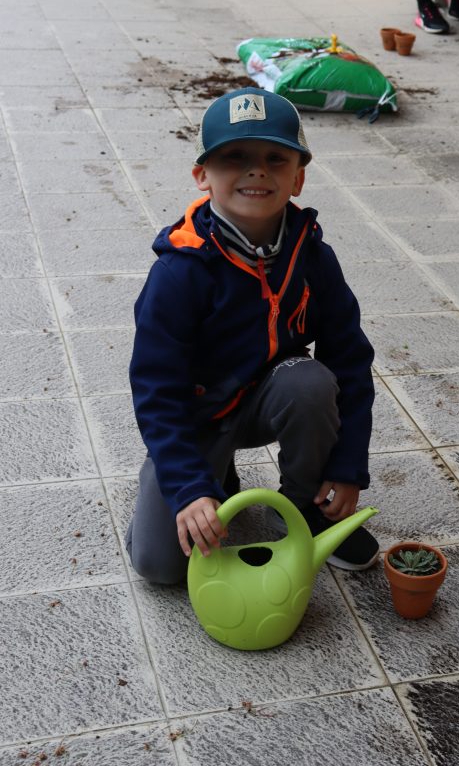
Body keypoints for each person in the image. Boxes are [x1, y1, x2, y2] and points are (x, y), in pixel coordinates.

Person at [126, 87, 379, 584]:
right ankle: (203, 474)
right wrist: (187, 486)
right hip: (199, 417)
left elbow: (350, 362)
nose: (256, 171)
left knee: (310, 382)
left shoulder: (314, 258)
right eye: (234, 157)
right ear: (202, 176)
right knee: (160, 567)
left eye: (275, 158)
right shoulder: (180, 272)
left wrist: (348, 466)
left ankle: (302, 506)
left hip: (272, 397)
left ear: (298, 177)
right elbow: (156, 390)